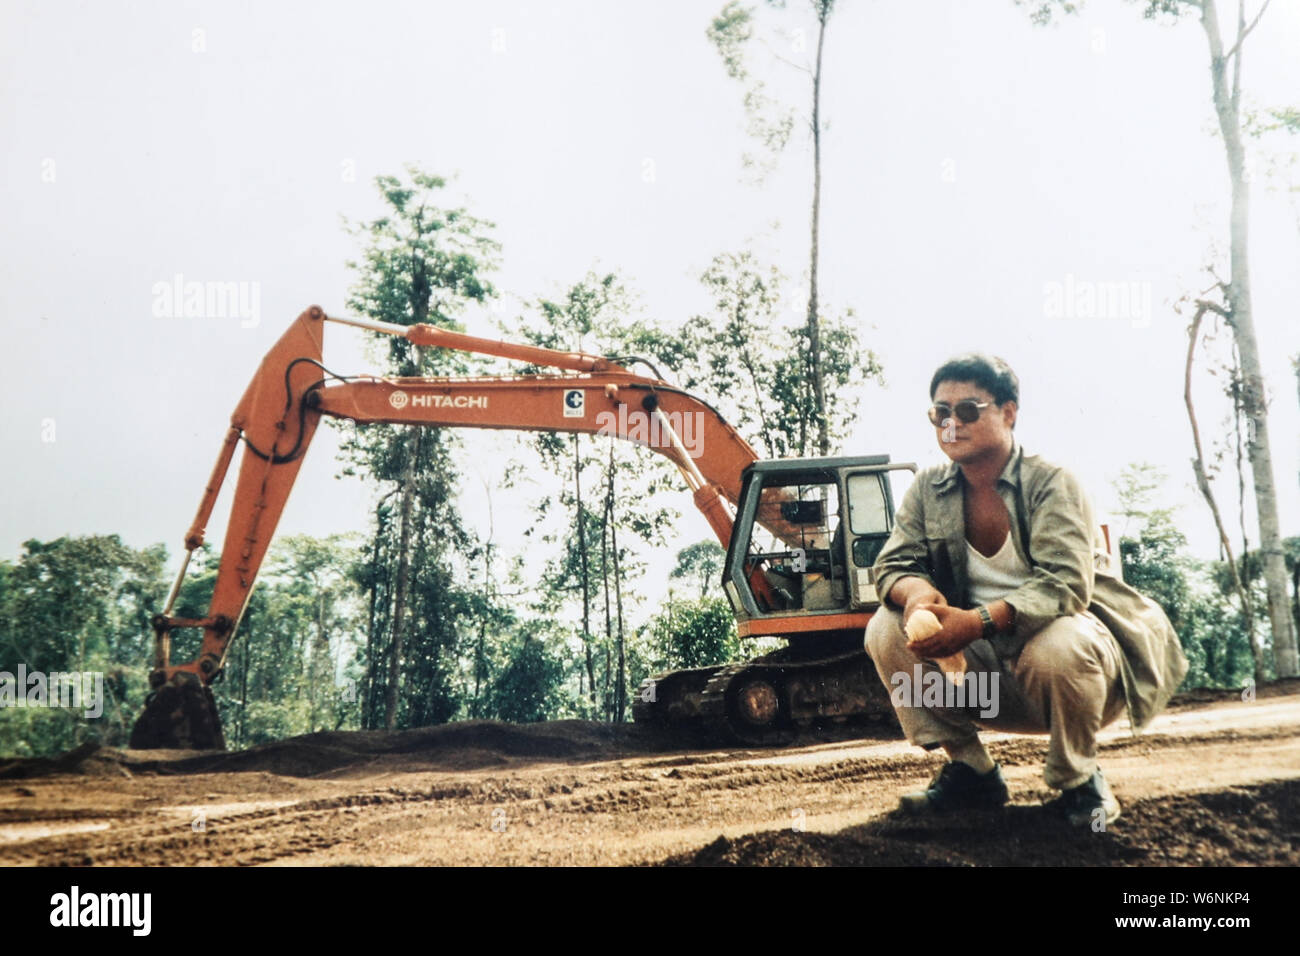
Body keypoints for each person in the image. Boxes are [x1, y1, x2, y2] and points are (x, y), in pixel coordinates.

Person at [865, 353, 1188, 827]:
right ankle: (972, 773)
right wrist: (915, 594)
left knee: (1059, 643)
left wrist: (974, 623)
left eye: (968, 410)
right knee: (885, 628)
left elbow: (1066, 585)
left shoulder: (1053, 482)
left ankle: (1081, 784)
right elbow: (893, 563)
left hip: (1079, 674)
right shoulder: (926, 489)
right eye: (941, 413)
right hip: (986, 679)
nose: (952, 423)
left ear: (1009, 413)